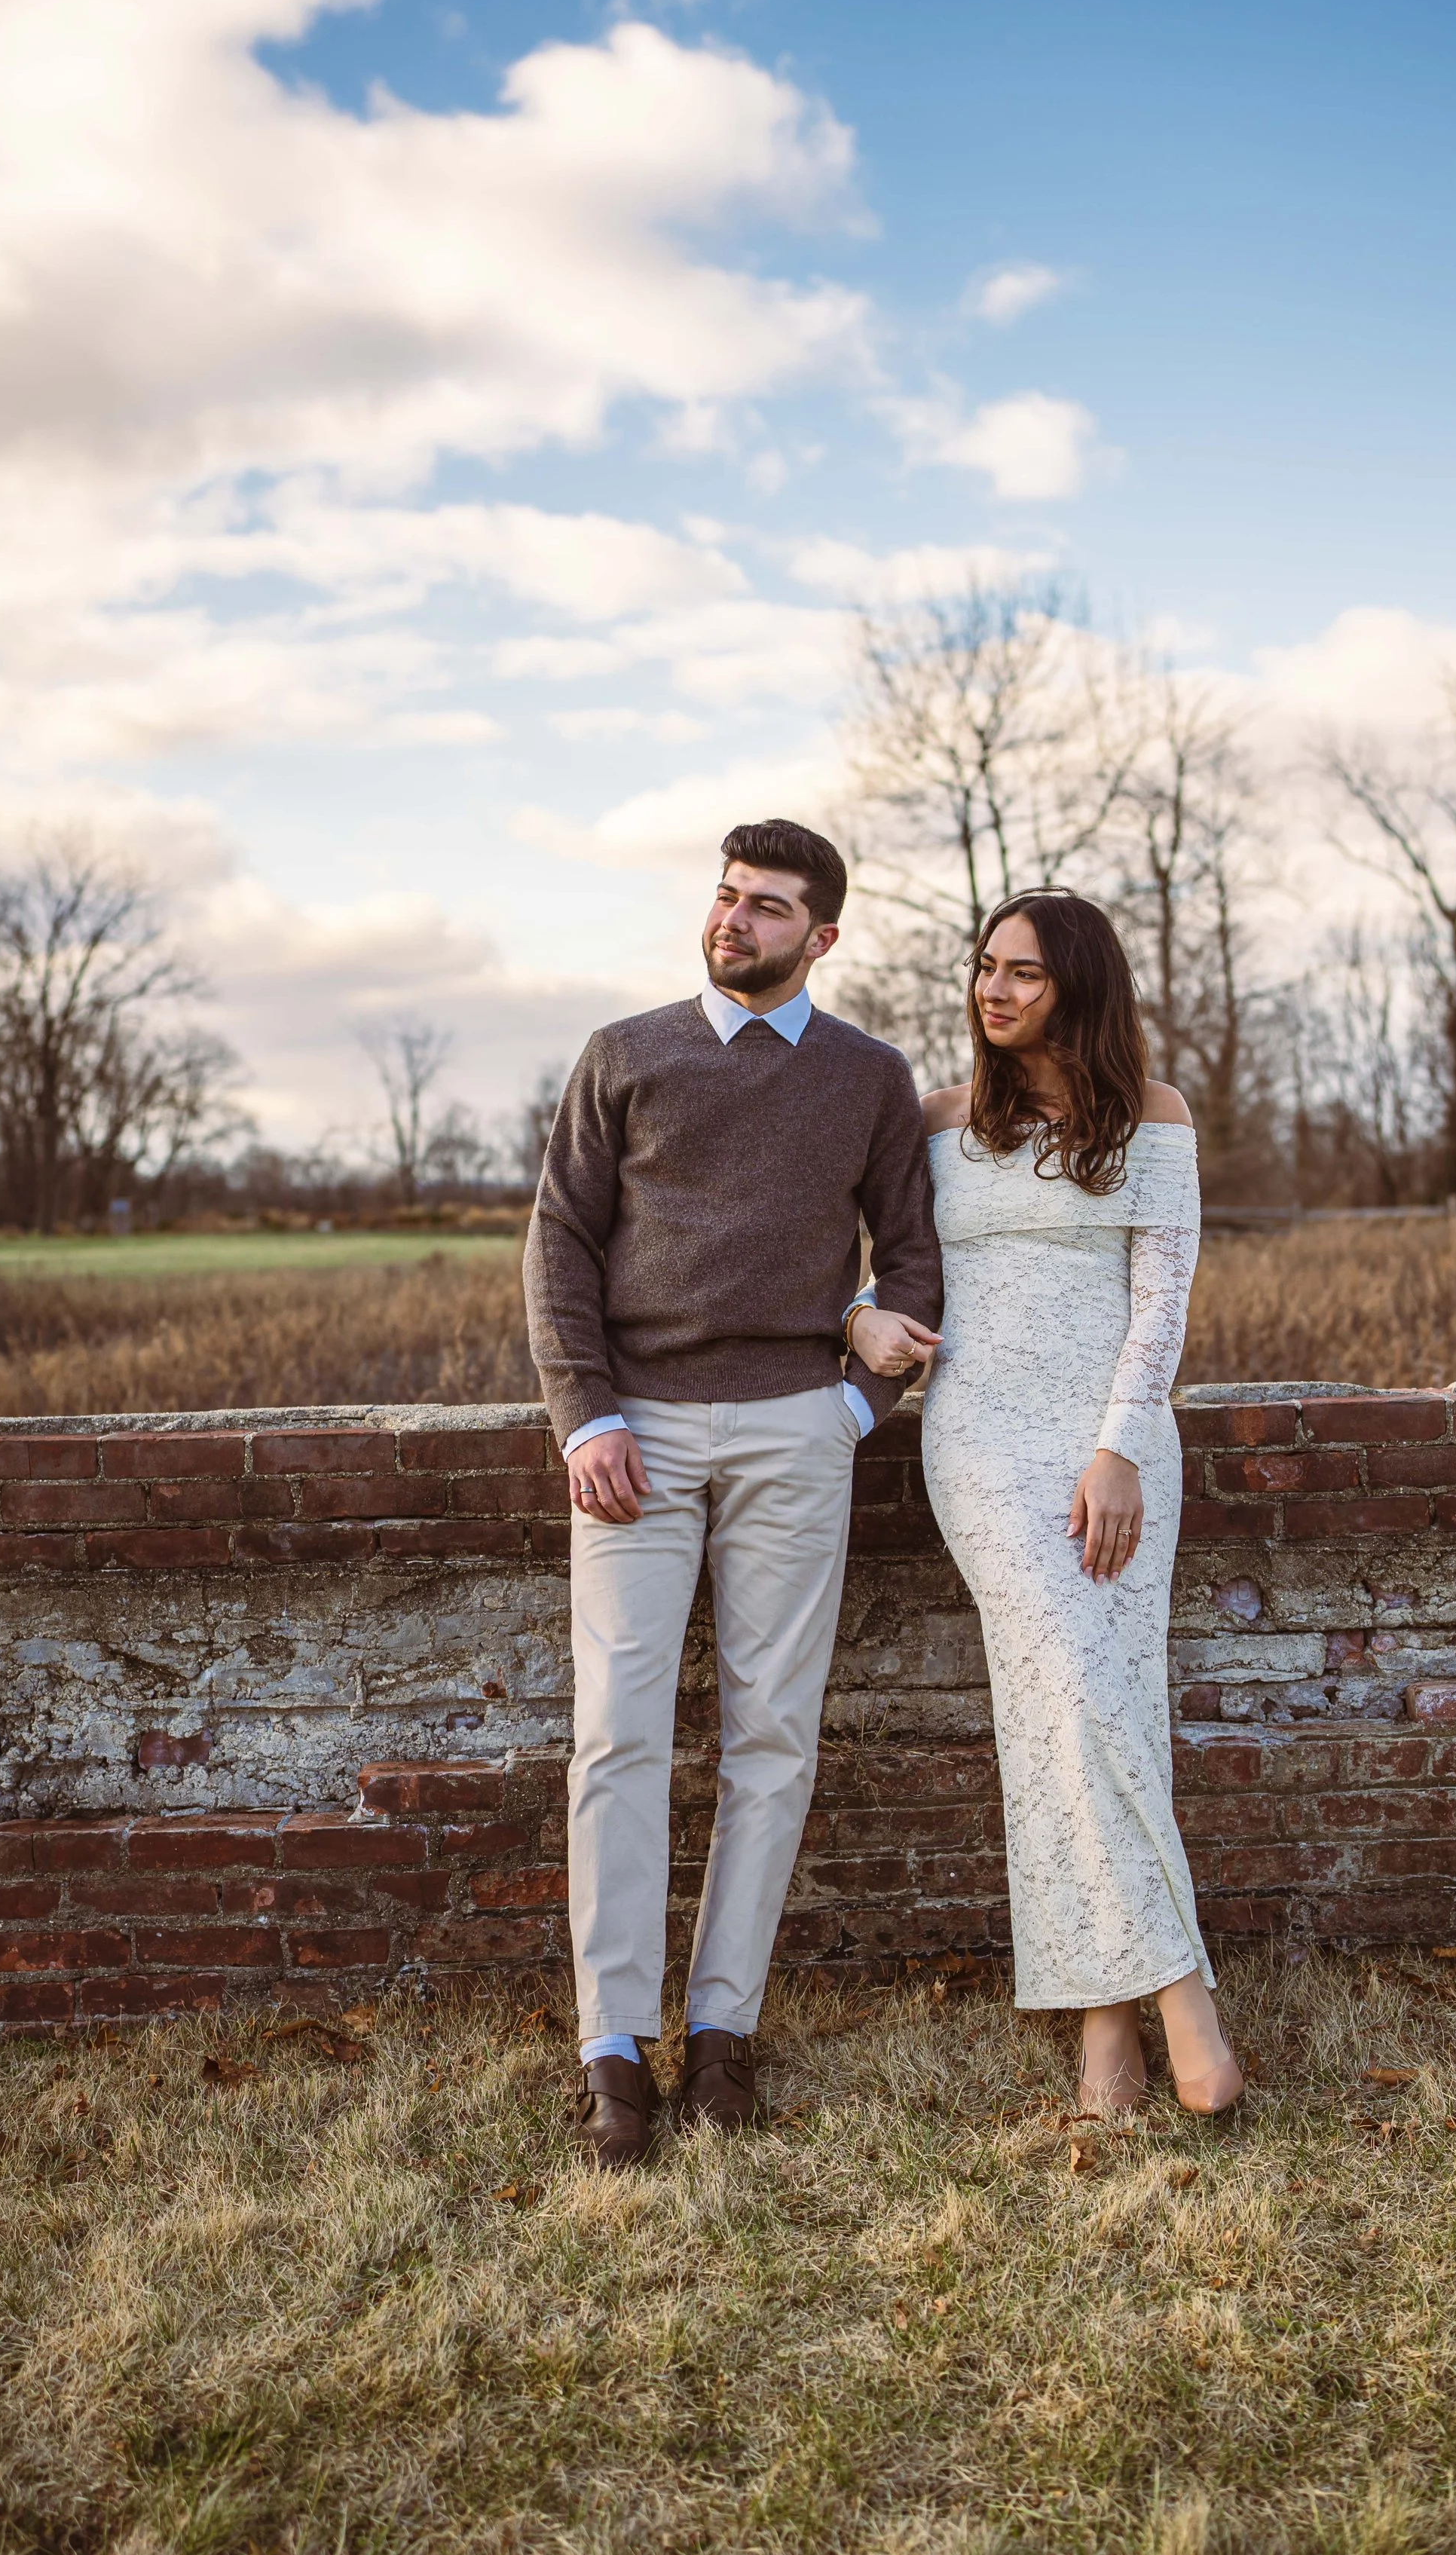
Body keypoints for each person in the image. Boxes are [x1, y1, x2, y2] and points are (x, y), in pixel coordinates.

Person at [525, 820, 943, 2167]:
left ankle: (722, 2033)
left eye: (768, 908)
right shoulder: (625, 1055)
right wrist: (583, 1415)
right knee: (618, 1735)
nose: (735, 920)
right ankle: (611, 2050)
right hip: (634, 1432)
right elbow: (559, 1248)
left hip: (793, 1433)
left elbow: (920, 1268)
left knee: (772, 1736)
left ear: (821, 936)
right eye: (726, 896)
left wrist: (852, 1407)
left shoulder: (871, 1078)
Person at [849, 891, 1243, 2117]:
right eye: (985, 967)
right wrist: (855, 1315)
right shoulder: (935, 1124)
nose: (994, 989)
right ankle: (1188, 2000)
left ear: (1079, 983)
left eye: (1022, 970)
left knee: (1089, 1711)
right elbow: (840, 1263)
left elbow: (1161, 1305)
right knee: (1072, 1692)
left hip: (1113, 1448)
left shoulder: (1155, 1120)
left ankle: (1105, 2046)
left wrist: (1120, 1445)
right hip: (977, 1444)